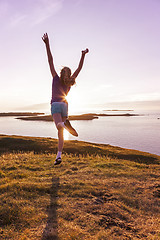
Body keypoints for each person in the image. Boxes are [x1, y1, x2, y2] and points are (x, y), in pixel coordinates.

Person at [42, 33, 89, 165]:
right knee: (60, 133)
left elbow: (50, 60)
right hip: (65, 105)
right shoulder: (70, 82)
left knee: (59, 127)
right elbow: (79, 68)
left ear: (62, 72)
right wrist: (83, 55)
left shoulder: (56, 78)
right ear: (68, 74)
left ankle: (65, 124)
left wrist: (47, 44)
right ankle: (59, 156)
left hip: (56, 104)